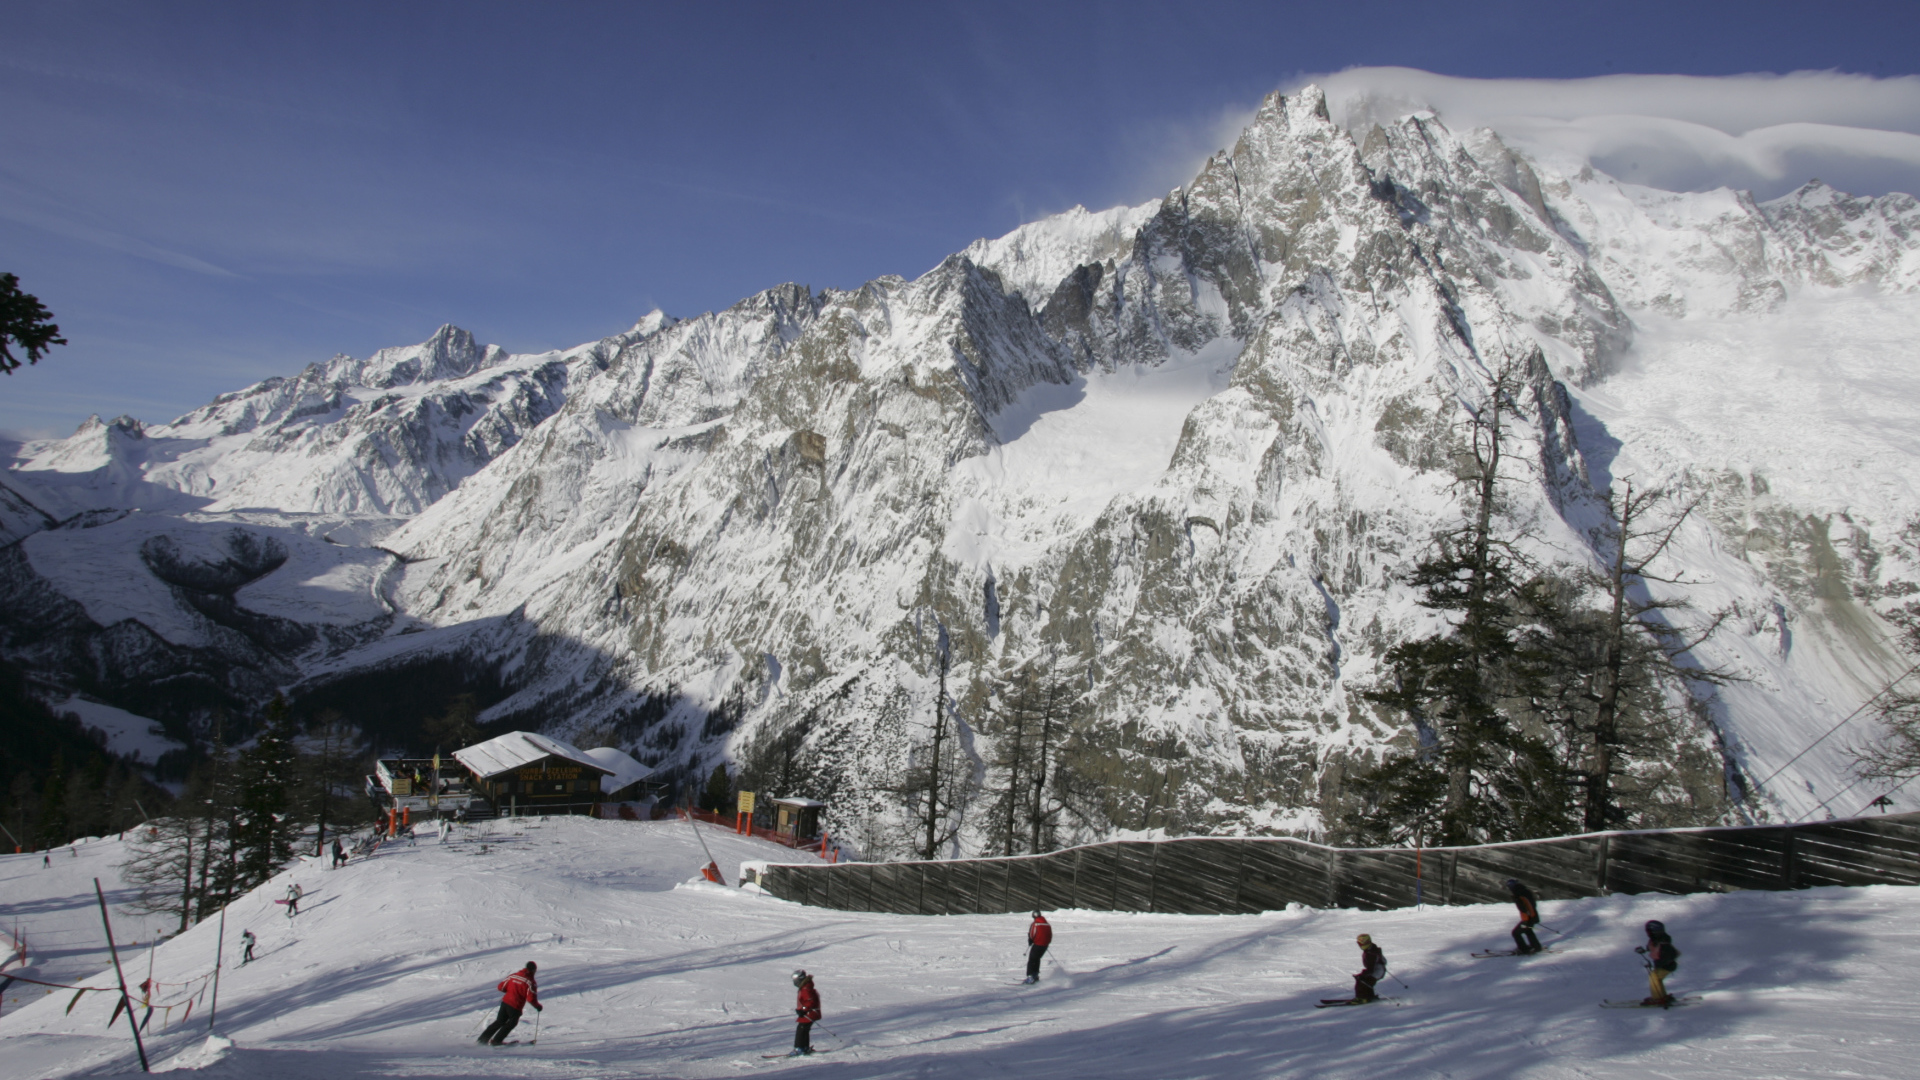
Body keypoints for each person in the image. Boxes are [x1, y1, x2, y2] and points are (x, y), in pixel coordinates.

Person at [479, 961, 540, 1045]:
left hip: (505, 1002)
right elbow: (531, 998)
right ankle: (497, 1041)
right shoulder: (530, 982)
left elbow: (501, 987)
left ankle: (482, 1039)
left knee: (499, 1021)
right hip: (515, 1006)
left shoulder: (514, 976)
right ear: (533, 970)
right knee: (511, 1023)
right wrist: (537, 1006)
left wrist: (510, 992)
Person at [1636, 920, 1681, 1006]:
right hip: (1663, 965)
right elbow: (1652, 948)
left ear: (1654, 931)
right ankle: (1661, 995)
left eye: (1649, 931)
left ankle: (1657, 998)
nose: (1647, 933)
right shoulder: (1655, 940)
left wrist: (1662, 963)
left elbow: (1670, 954)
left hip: (1667, 965)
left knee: (1654, 977)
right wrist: (1643, 950)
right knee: (1656, 977)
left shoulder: (1663, 942)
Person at [788, 969, 821, 1057]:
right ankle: (804, 1047)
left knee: (801, 1030)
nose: (794, 981)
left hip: (809, 1013)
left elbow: (810, 1001)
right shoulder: (805, 987)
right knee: (804, 1029)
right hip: (809, 1013)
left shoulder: (805, 988)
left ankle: (799, 1048)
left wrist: (803, 1009)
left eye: (795, 979)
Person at [1505, 878, 1542, 954]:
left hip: (1528, 918)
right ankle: (1536, 946)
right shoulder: (1524, 891)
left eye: (1509, 886)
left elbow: (1525, 908)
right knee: (1528, 930)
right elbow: (1532, 905)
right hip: (1532, 917)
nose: (1509, 888)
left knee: (1516, 933)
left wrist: (1526, 920)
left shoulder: (1519, 894)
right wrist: (1533, 917)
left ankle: (1524, 949)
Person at [1353, 934, 1386, 1002]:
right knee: (1366, 981)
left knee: (1362, 982)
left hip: (1377, 971)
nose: (1360, 946)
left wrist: (1361, 975)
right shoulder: (1371, 949)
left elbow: (1370, 970)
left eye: (1361, 944)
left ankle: (1362, 998)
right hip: (1378, 970)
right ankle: (1369, 996)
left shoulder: (1370, 954)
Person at [1025, 911, 1052, 984]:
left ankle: (1030, 977)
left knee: (1032, 959)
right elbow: (1050, 935)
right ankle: (1035, 975)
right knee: (1037, 959)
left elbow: (1032, 934)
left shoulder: (1035, 924)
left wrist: (1030, 940)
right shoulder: (1047, 924)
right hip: (1045, 945)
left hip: (1037, 944)